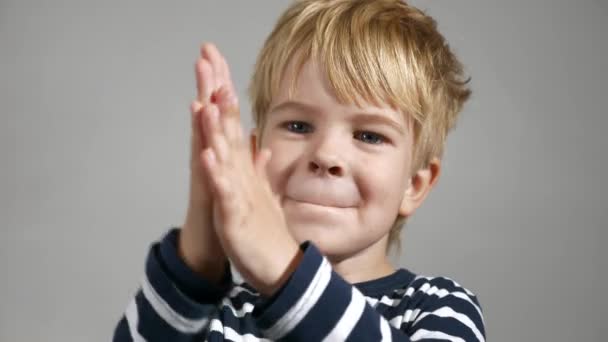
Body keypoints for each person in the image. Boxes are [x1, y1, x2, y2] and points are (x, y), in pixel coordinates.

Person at [113, 0, 486, 340]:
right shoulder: (217, 317)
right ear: (254, 157)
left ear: (414, 185)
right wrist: (201, 247)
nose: (326, 155)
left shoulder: (439, 308)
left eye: (369, 135)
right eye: (299, 126)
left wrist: (286, 272)